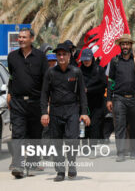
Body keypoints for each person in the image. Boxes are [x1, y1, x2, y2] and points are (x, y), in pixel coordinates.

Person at [40, 42, 90, 182]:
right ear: (56, 56)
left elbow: (82, 94)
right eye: (59, 54)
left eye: (64, 54)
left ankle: (72, 165)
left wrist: (84, 112)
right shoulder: (50, 73)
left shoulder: (76, 72)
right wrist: (44, 112)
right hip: (55, 111)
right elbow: (44, 94)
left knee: (71, 140)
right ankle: (60, 171)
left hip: (72, 110)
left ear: (69, 56)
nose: (61, 57)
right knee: (56, 143)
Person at [7, 28, 48, 178]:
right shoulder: (12, 57)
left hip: (36, 102)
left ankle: (31, 163)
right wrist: (10, 93)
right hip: (17, 102)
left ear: (32, 39)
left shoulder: (40, 57)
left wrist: (46, 102)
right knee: (18, 134)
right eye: (19, 37)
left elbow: (46, 81)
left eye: (24, 37)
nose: (21, 39)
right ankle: (18, 165)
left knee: (35, 135)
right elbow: (12, 77)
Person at [106, 34, 135, 162]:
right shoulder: (115, 61)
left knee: (134, 126)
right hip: (119, 98)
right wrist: (109, 99)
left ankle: (134, 151)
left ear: (131, 46)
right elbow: (110, 80)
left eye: (128, 44)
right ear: (120, 46)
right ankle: (121, 153)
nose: (125, 46)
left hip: (134, 98)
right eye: (123, 44)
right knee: (120, 126)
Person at [80, 49, 107, 154]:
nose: (86, 62)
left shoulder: (98, 69)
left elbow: (103, 84)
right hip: (83, 103)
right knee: (82, 125)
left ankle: (93, 148)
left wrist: (89, 90)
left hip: (97, 103)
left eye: (88, 59)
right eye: (84, 60)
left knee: (94, 125)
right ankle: (84, 146)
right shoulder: (78, 71)